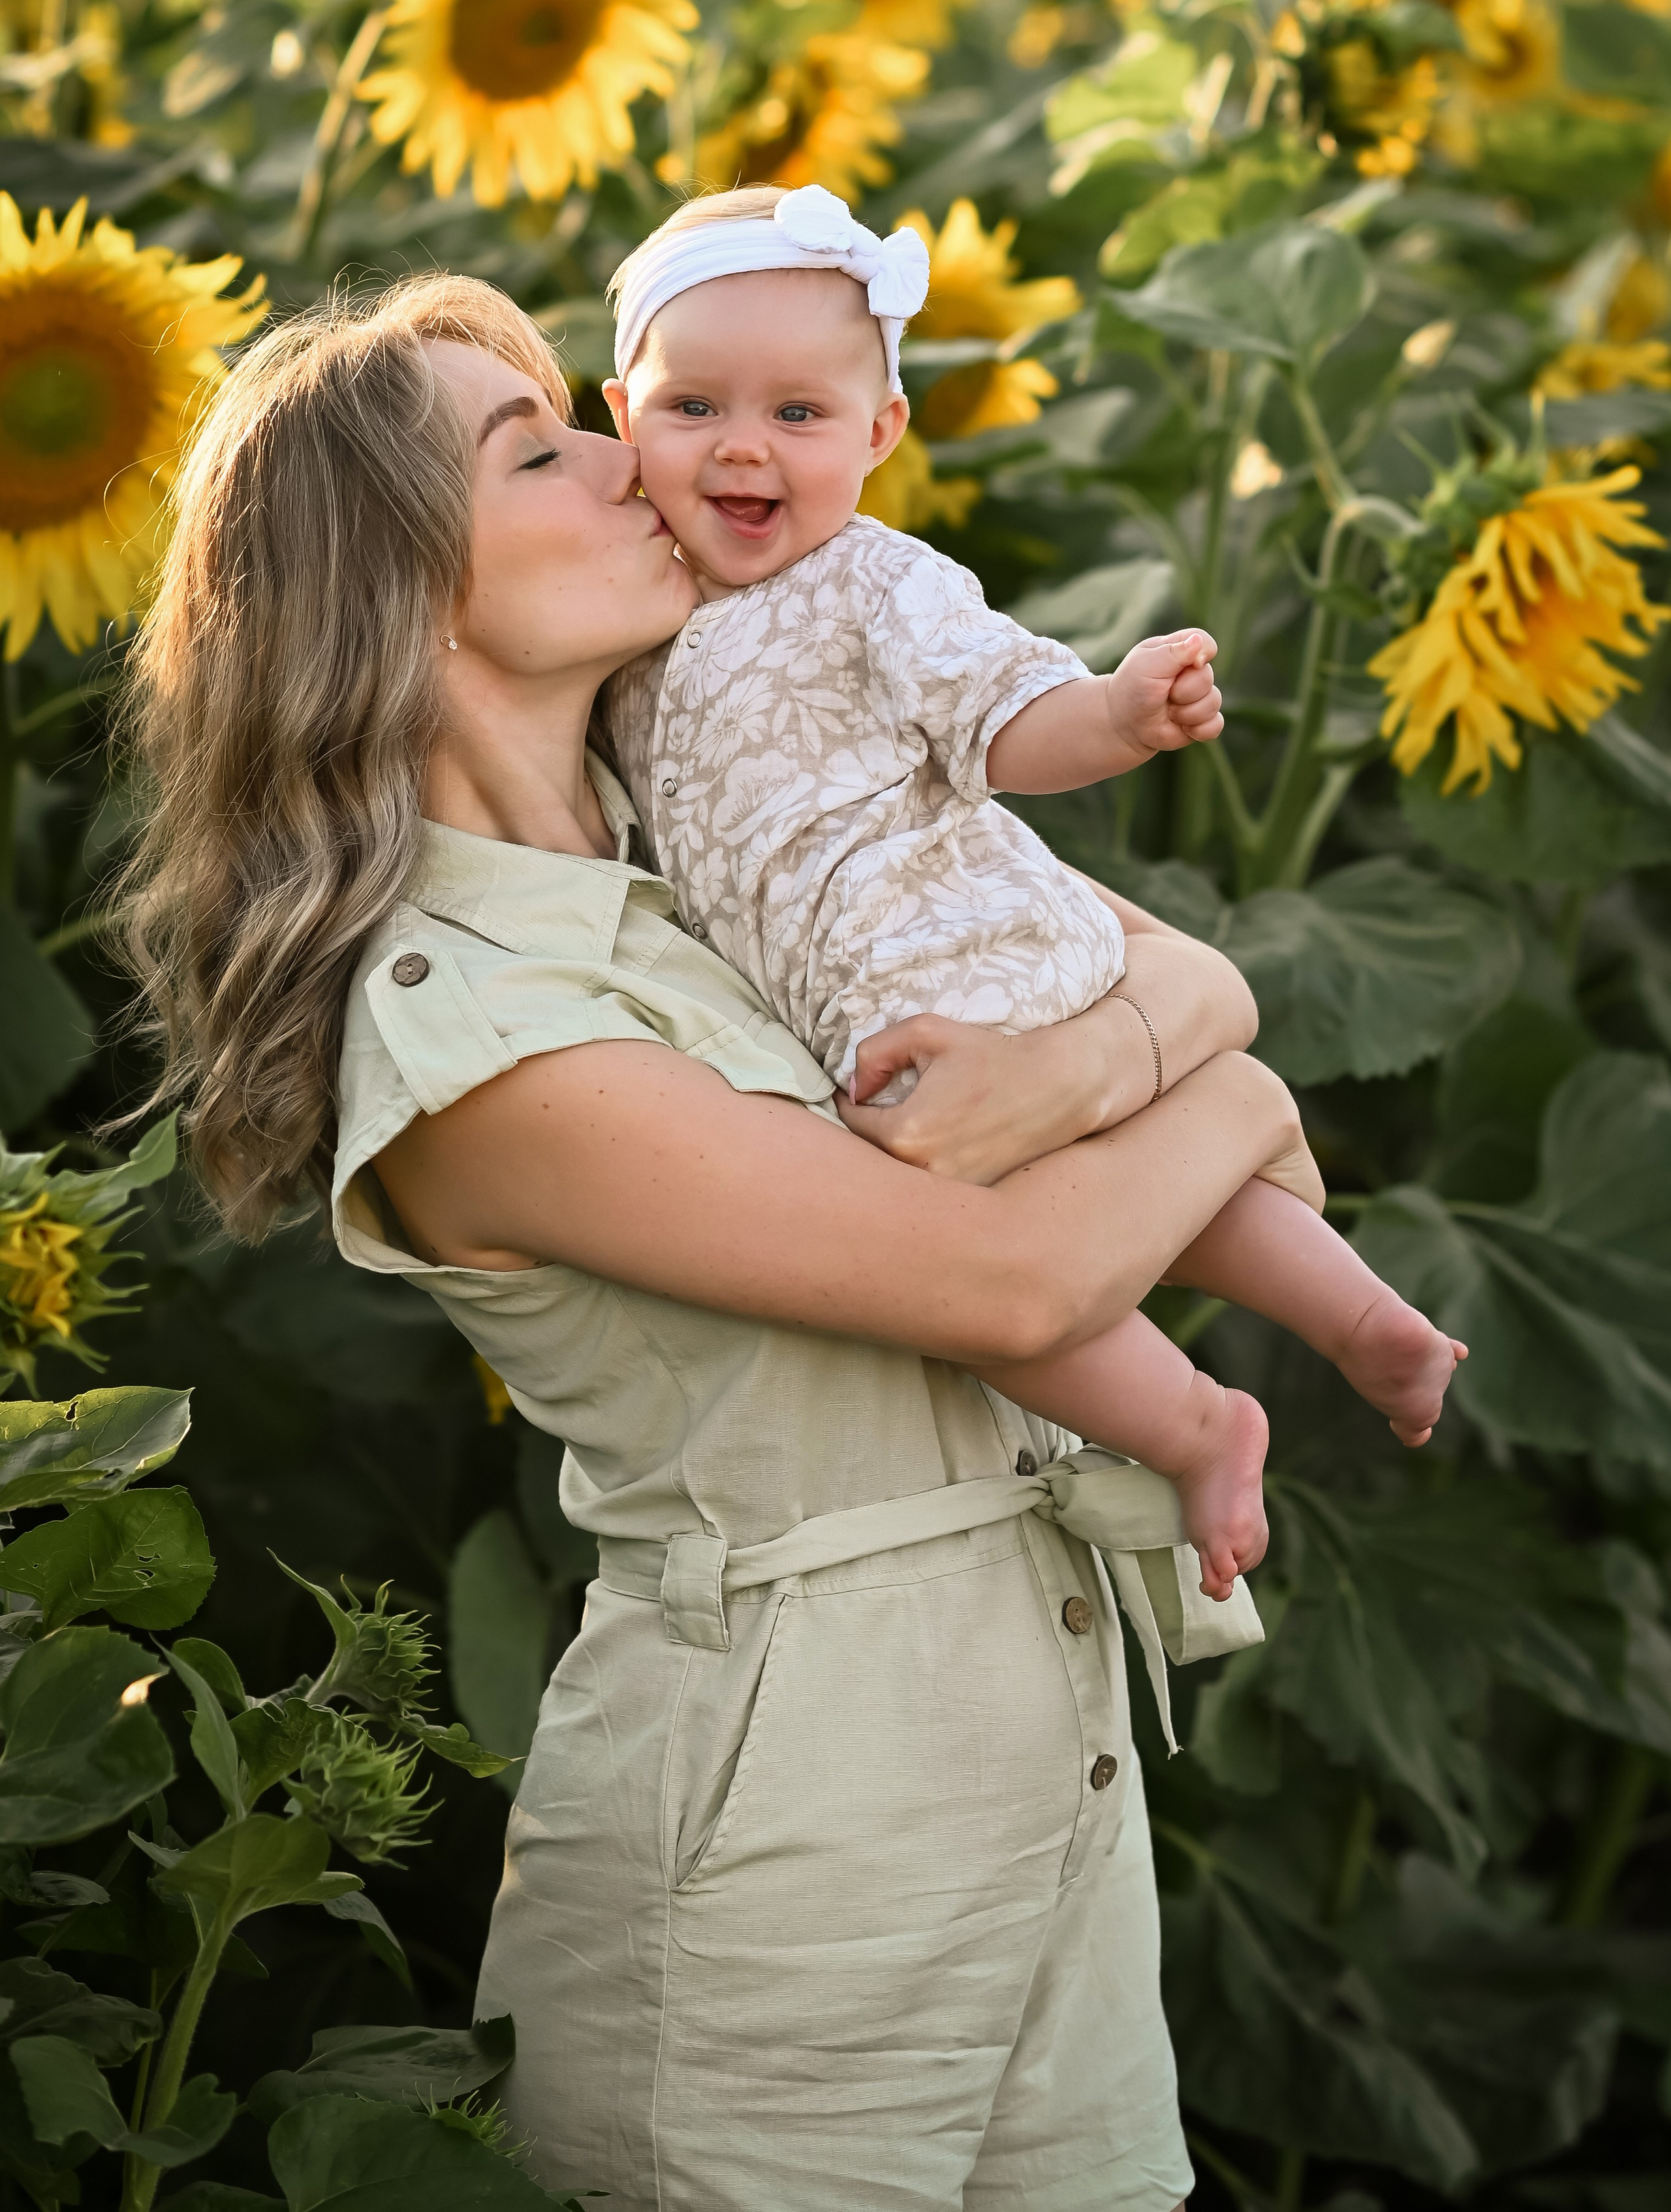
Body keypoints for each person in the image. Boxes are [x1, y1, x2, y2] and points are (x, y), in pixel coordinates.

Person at [124, 271, 1335, 2211]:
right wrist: (1220, 1104)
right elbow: (1025, 1280)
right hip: (777, 1858)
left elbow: (1176, 973)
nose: (635, 462)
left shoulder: (716, 845)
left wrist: (1113, 1069)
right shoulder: (476, 1036)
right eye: (541, 446)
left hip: (1036, 1773)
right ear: (391, 587)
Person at [599, 183, 1463, 1598]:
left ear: (880, 437)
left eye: (799, 417)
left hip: (955, 954)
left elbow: (1000, 715)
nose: (743, 446)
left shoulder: (875, 585)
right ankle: (1367, 1322)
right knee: (1116, 1201)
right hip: (880, 981)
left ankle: (1195, 1422)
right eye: (693, 407)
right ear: (619, 410)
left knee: (954, 1262)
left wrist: (1113, 716)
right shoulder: (638, 610)